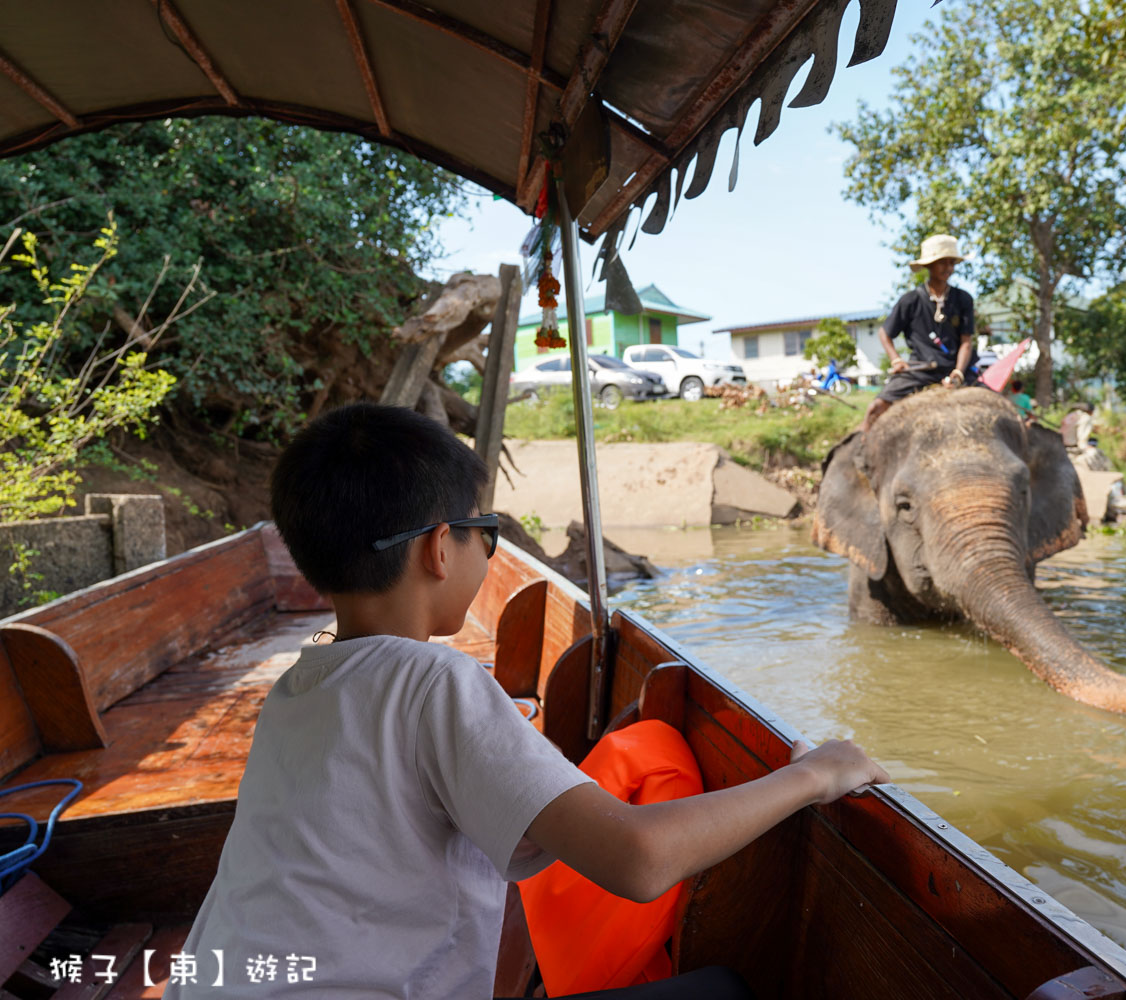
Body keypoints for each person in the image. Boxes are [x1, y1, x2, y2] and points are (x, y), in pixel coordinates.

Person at [166, 403, 888, 1000]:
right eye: (486, 532)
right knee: (722, 991)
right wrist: (813, 775)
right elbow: (639, 860)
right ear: (440, 551)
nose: (489, 551)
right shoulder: (433, 683)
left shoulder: (297, 686)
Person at [861, 234, 977, 432]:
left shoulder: (963, 298)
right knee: (876, 409)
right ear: (929, 265)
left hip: (955, 370)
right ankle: (862, 453)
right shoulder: (910, 300)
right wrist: (896, 360)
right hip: (918, 372)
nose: (948, 268)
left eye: (951, 262)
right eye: (942, 262)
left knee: (999, 405)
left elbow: (966, 341)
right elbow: (884, 333)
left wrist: (958, 373)